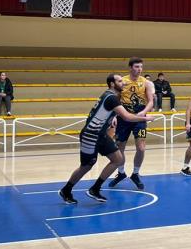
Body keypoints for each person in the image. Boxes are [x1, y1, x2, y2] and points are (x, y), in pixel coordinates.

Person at [59, 74, 154, 204]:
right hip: (90, 135)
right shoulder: (111, 98)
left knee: (118, 159)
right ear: (112, 84)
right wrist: (145, 118)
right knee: (86, 166)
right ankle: (66, 190)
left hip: (101, 134)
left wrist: (112, 118)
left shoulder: (110, 96)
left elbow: (108, 111)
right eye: (120, 81)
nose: (123, 83)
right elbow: (126, 117)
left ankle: (95, 188)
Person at [109, 57, 155, 190]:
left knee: (141, 148)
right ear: (130, 67)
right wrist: (114, 115)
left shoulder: (146, 83)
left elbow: (151, 102)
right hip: (124, 117)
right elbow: (115, 99)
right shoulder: (122, 81)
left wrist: (144, 113)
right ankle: (121, 173)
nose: (139, 69)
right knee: (119, 147)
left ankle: (135, 173)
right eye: (136, 67)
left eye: (141, 67)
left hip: (140, 118)